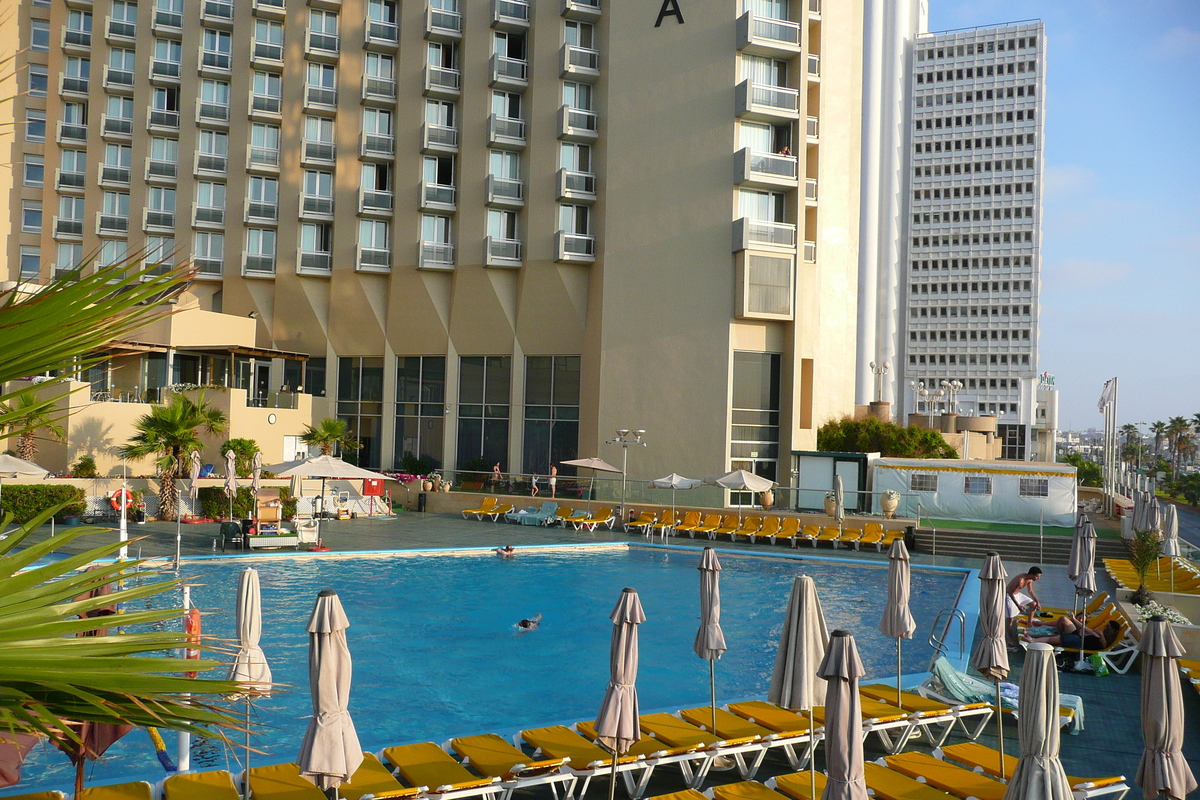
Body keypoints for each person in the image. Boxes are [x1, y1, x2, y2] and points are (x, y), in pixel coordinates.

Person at [1022, 614, 1121, 652]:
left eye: (1108, 627)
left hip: (1078, 642)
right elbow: (1086, 630)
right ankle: (1058, 635)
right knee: (1063, 619)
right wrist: (1074, 620)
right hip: (1078, 637)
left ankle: (1032, 641)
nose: (1105, 627)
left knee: (1050, 639)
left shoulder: (1106, 640)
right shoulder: (1101, 634)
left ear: (1113, 630)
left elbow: (1104, 646)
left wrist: (1100, 634)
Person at [1006, 566, 1043, 646]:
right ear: (1032, 575)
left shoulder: (1030, 579)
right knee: (1010, 619)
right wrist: (1018, 605)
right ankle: (1011, 639)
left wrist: (1037, 601)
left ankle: (1029, 622)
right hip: (1009, 596)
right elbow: (1009, 592)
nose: (1038, 578)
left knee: (1033, 604)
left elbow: (1030, 591)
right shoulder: (1020, 581)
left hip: (1017, 594)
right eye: (1037, 576)